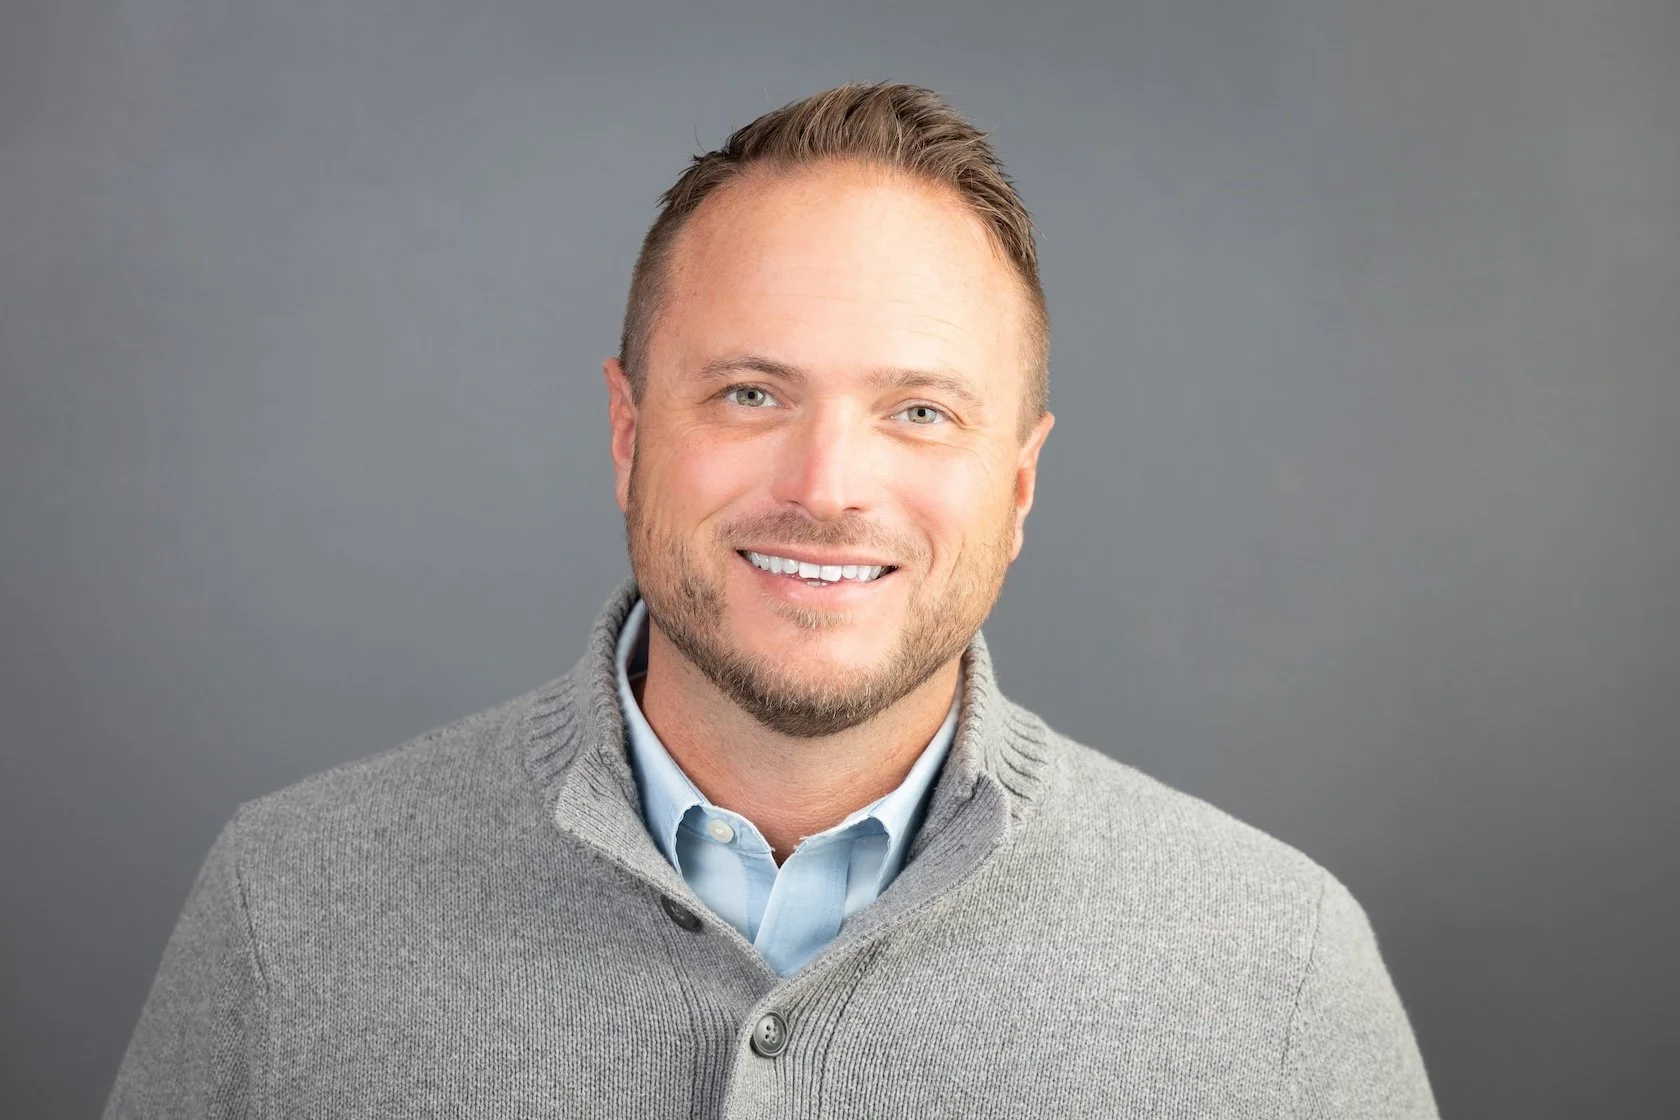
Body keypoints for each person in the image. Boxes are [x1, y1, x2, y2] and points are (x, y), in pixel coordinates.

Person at [104, 82, 1438, 1118]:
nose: (826, 485)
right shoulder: (291, 912)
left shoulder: (1281, 972)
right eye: (752, 394)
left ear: (1019, 487)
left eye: (919, 412)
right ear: (630, 434)